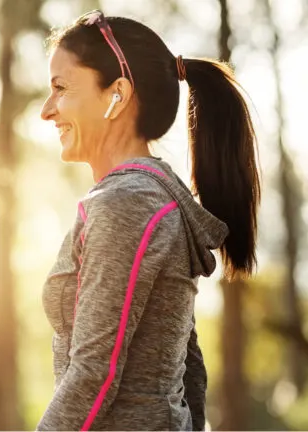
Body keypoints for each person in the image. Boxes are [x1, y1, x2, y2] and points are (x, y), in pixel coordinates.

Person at [36, 10, 260, 431]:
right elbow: (187, 364)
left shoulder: (126, 204)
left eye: (61, 88)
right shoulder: (149, 198)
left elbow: (93, 374)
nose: (47, 111)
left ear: (117, 94)